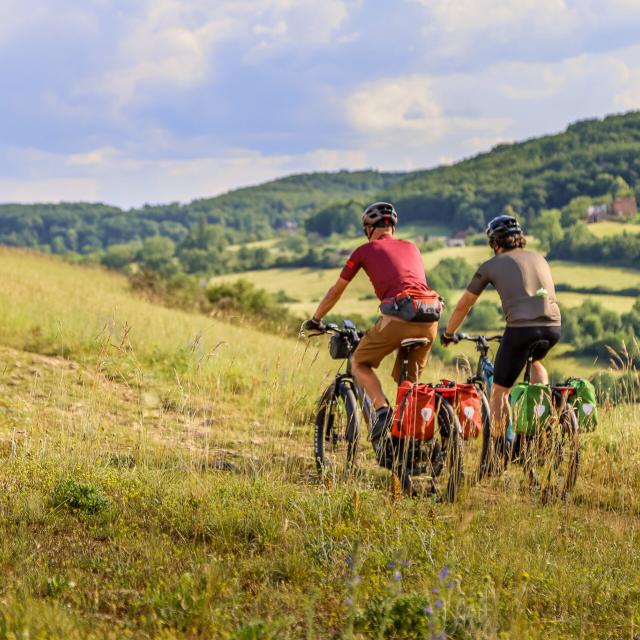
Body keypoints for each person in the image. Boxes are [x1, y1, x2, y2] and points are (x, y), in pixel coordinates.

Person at [303, 202, 439, 463]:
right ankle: (406, 443)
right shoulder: (412, 247)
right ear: (393, 227)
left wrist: (316, 319)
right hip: (430, 318)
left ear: (369, 228)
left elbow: (337, 290)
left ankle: (382, 410)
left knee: (360, 362)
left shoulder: (365, 250)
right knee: (407, 383)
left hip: (399, 317)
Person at [440, 214, 561, 445]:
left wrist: (448, 333)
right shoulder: (540, 258)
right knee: (535, 361)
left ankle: (500, 451)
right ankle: (542, 421)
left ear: (495, 243)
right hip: (553, 328)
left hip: (521, 330)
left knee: (499, 392)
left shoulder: (490, 265)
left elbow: (464, 304)